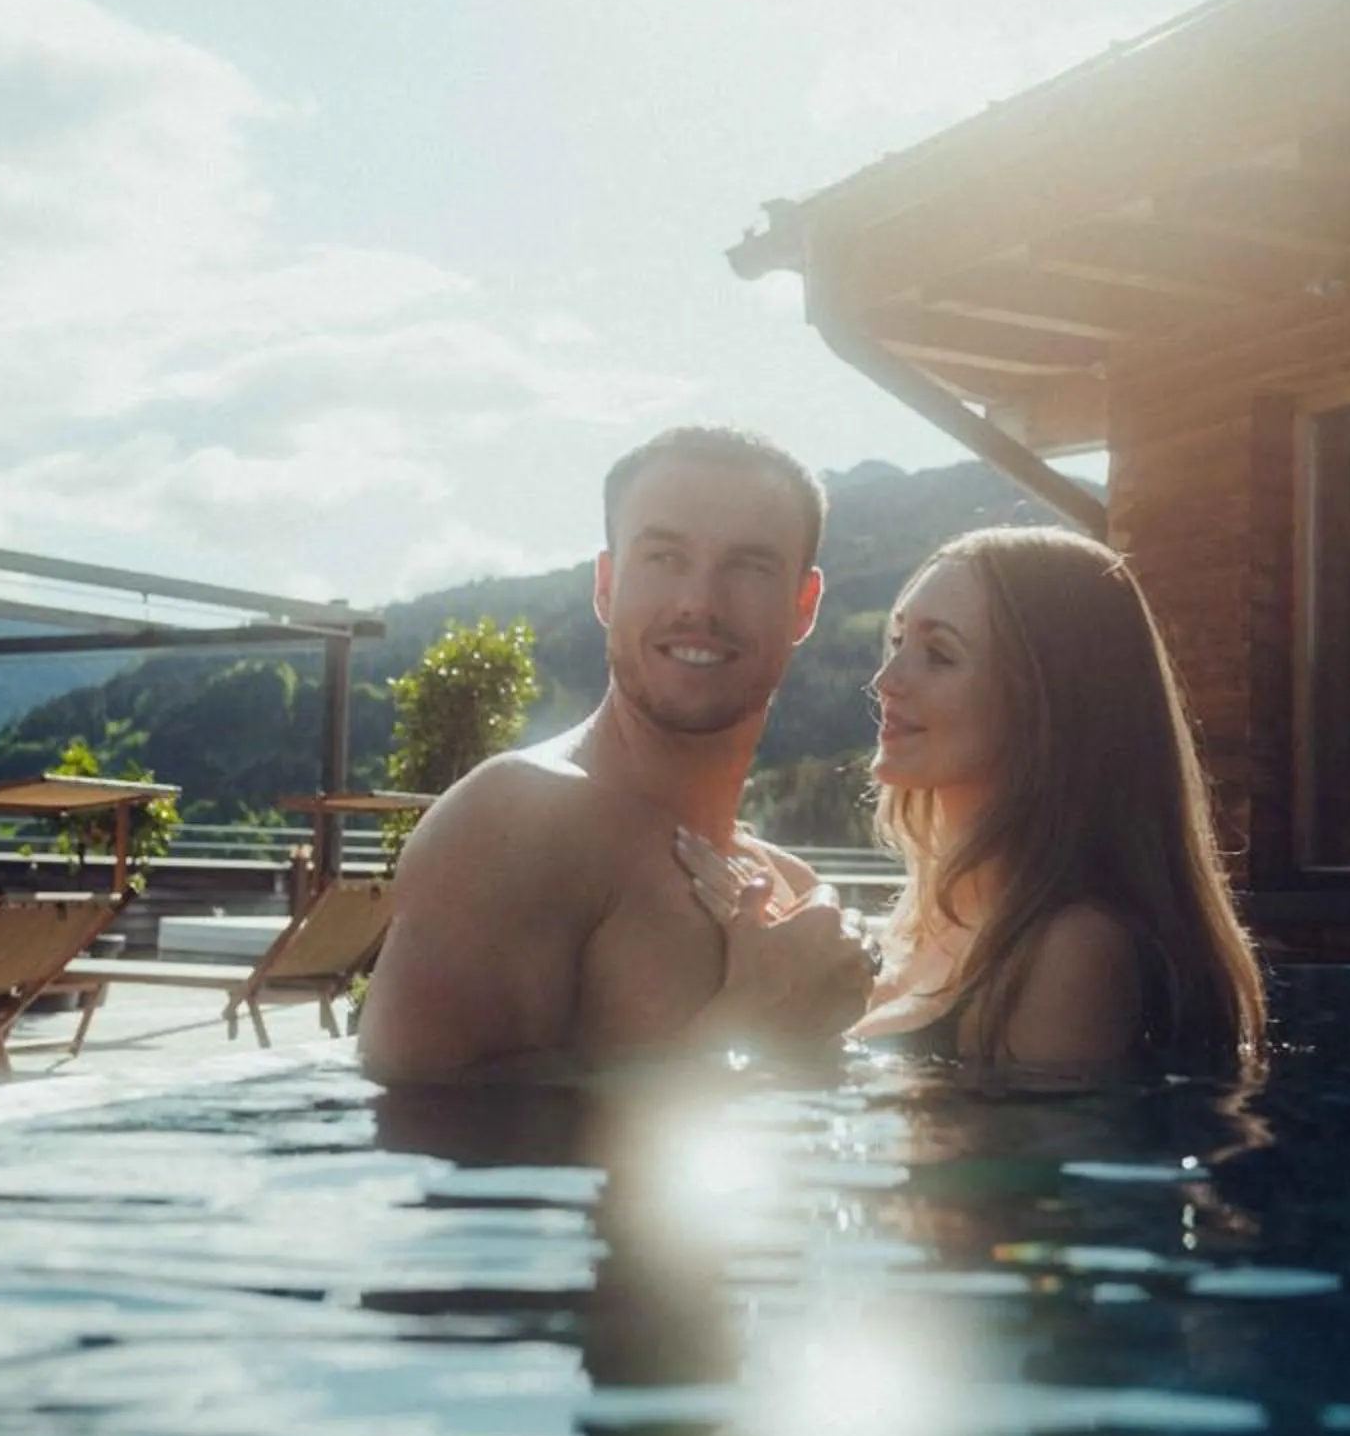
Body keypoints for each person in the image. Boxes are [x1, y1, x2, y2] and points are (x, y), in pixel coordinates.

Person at [358, 425, 880, 1083]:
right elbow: (415, 1136)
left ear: (804, 606)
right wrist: (755, 1024)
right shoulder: (519, 822)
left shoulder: (791, 892)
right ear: (605, 586)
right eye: (664, 557)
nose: (699, 603)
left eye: (749, 566)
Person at [805, 524, 1263, 1078]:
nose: (886, 680)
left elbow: (1014, 1162)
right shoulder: (920, 919)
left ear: (1046, 700)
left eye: (940, 654)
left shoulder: (1071, 952)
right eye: (898, 642)